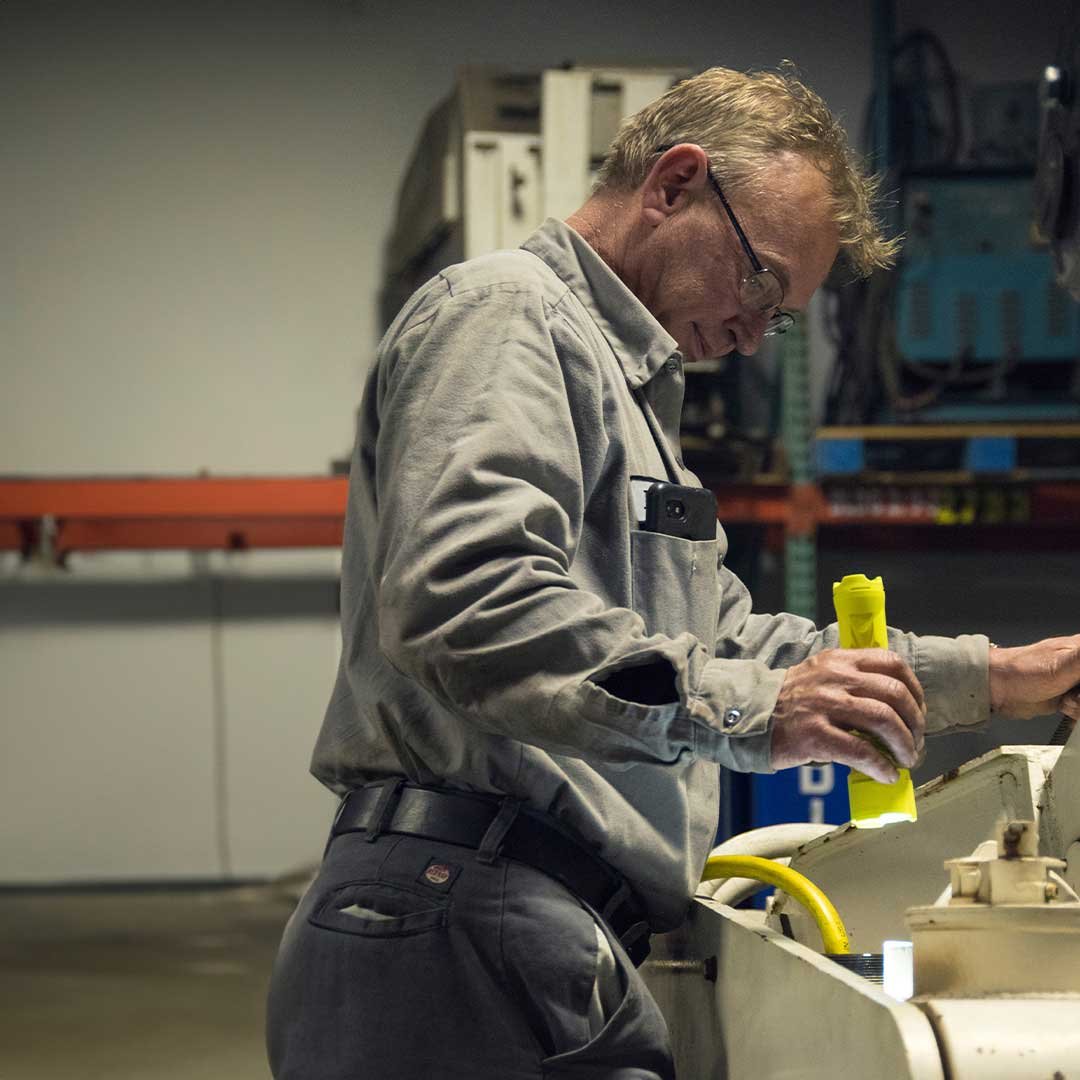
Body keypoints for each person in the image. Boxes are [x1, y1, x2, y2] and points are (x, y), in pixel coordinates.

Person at [266, 65, 1080, 1079]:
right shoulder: (510, 316)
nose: (754, 332)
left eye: (780, 313)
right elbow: (470, 606)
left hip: (525, 922)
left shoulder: (631, 396)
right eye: (762, 282)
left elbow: (731, 644)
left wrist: (996, 676)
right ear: (675, 184)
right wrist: (757, 710)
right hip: (464, 916)